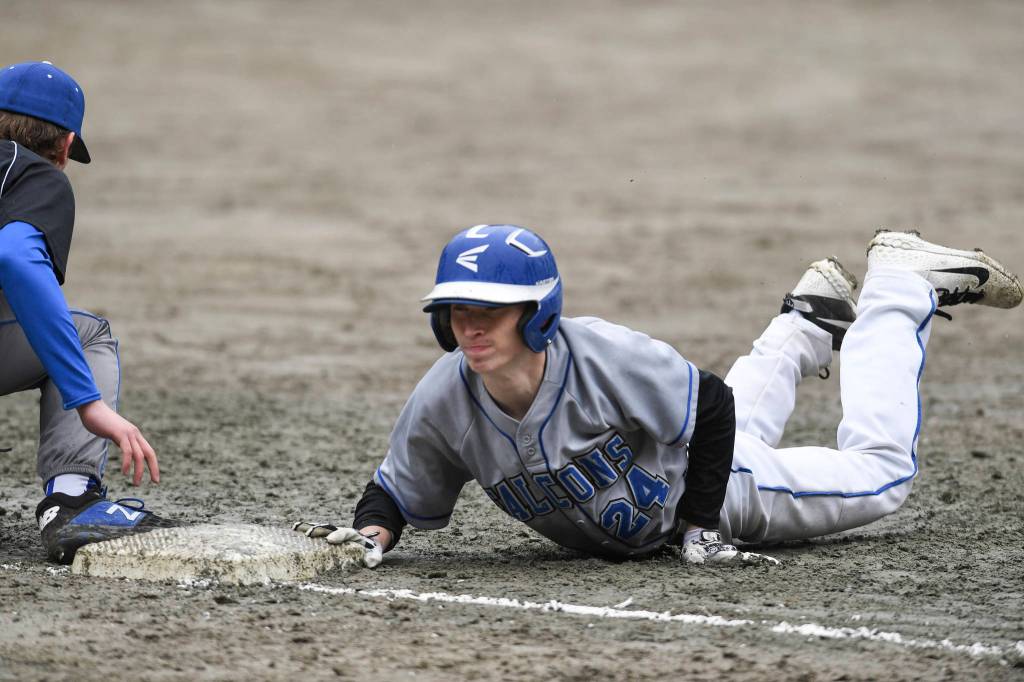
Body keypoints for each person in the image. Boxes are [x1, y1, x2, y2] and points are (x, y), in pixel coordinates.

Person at [295, 224, 1021, 567]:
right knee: (710, 426)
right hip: (688, 460)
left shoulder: (601, 354)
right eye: (459, 309)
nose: (471, 325)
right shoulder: (444, 400)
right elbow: (395, 488)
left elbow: (708, 405)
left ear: (538, 312)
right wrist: (371, 537)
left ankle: (898, 288)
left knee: (882, 474)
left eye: (492, 309)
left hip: (721, 488)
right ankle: (809, 321)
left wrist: (703, 527)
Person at [0, 61, 175, 565]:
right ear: (64, 145)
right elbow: (15, 257)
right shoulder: (35, 176)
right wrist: (88, 400)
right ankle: (73, 501)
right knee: (87, 334)